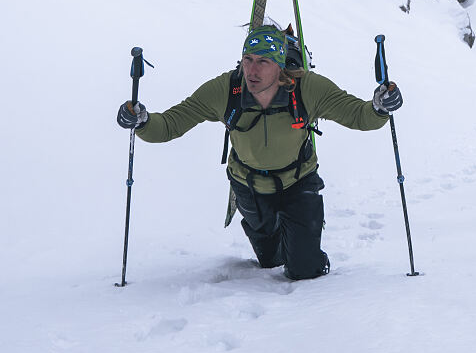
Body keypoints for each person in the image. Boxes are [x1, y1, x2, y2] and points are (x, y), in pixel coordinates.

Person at [116, 24, 402, 280]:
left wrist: (379, 107)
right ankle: (279, 235)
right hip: (248, 184)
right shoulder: (225, 90)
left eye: (263, 62)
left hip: (298, 182)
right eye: (248, 60)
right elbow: (170, 125)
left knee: (303, 269)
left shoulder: (308, 89)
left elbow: (358, 115)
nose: (252, 70)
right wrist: (142, 121)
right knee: (270, 260)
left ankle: (305, 244)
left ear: (280, 65)